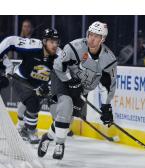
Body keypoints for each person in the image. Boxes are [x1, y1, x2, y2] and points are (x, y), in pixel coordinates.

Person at [38, 21, 117, 160]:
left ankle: (47, 137)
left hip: (81, 88)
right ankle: (60, 144)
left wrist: (106, 107)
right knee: (66, 104)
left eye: (96, 36)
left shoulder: (108, 59)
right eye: (90, 34)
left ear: (102, 39)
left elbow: (109, 86)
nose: (92, 38)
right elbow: (58, 65)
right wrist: (69, 80)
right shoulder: (75, 47)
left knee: (66, 120)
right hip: (62, 78)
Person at [0, 28, 60, 144]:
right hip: (21, 79)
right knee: (32, 102)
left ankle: (21, 126)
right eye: (51, 42)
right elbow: (10, 41)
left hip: (39, 83)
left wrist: (48, 85)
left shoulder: (59, 56)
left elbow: (60, 74)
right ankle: (31, 131)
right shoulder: (32, 46)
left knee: (28, 101)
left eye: (56, 42)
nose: (54, 45)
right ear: (44, 41)